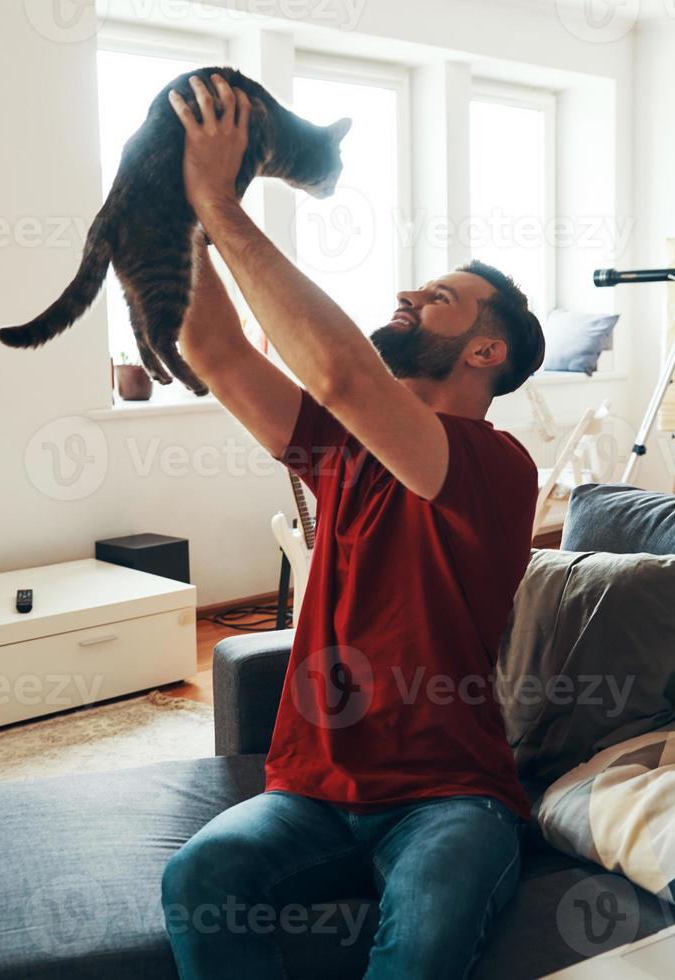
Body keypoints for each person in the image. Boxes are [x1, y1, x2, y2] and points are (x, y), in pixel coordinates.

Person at [159, 72, 546, 979]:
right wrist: (177, 206)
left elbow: (340, 375)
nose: (410, 294)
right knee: (197, 876)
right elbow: (211, 348)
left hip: (452, 798)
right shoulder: (338, 448)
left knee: (421, 944)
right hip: (310, 791)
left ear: (486, 352)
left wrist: (221, 199)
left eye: (441, 298)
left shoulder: (495, 465)